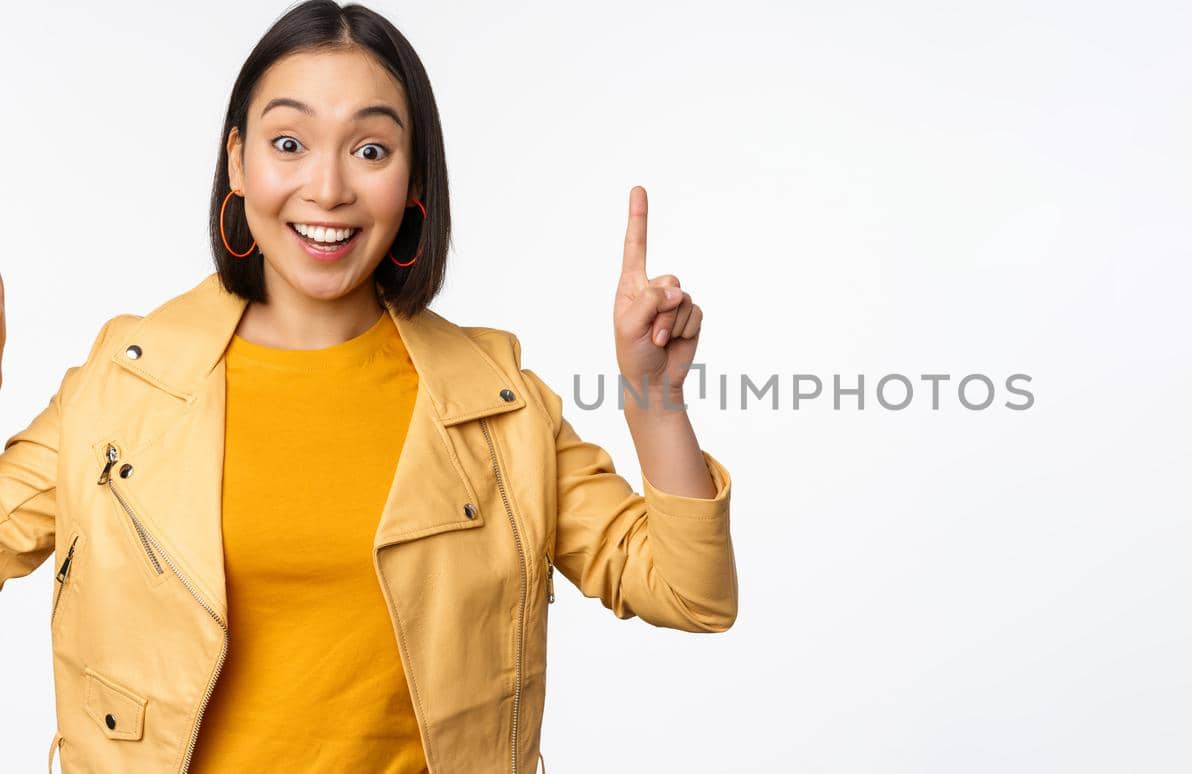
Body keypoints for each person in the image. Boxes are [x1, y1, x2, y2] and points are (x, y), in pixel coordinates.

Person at [0, 2, 738, 772]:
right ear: (237, 160)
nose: (327, 188)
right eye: (289, 143)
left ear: (414, 178)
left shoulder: (496, 405)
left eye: (371, 150)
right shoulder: (124, 387)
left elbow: (691, 594)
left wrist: (655, 399)